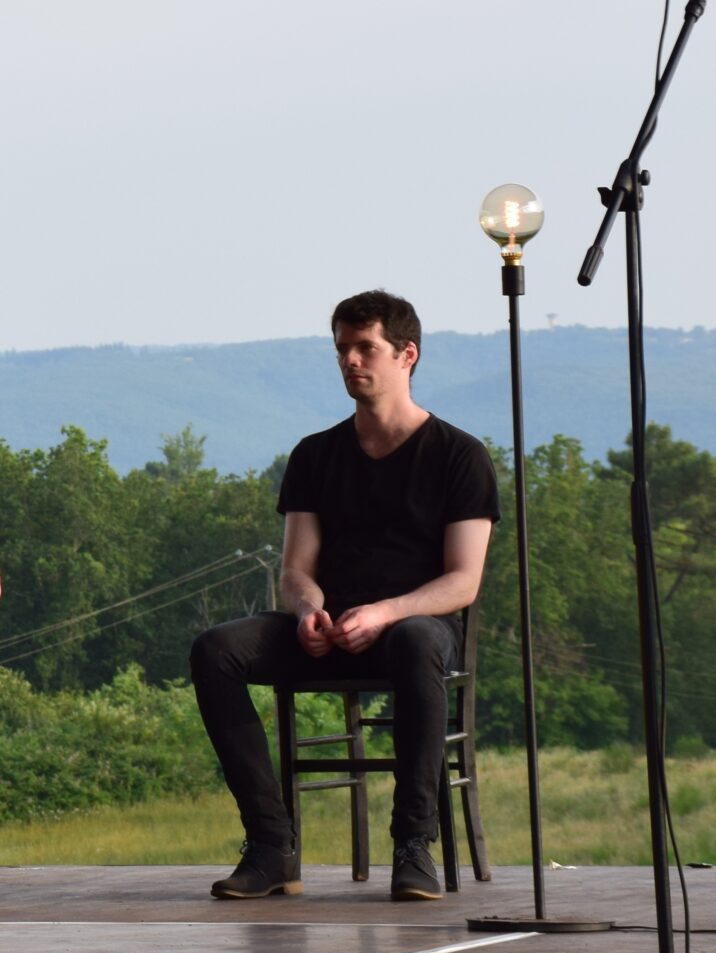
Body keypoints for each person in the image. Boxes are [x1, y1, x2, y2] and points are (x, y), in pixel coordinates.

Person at [188, 289, 497, 902]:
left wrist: (385, 612)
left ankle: (413, 845)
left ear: (407, 354)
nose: (350, 360)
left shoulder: (459, 456)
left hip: (415, 629)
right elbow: (295, 570)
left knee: (415, 640)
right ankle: (271, 845)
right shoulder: (315, 455)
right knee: (215, 650)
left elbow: (463, 581)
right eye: (342, 349)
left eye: (365, 348)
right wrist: (308, 610)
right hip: (329, 630)